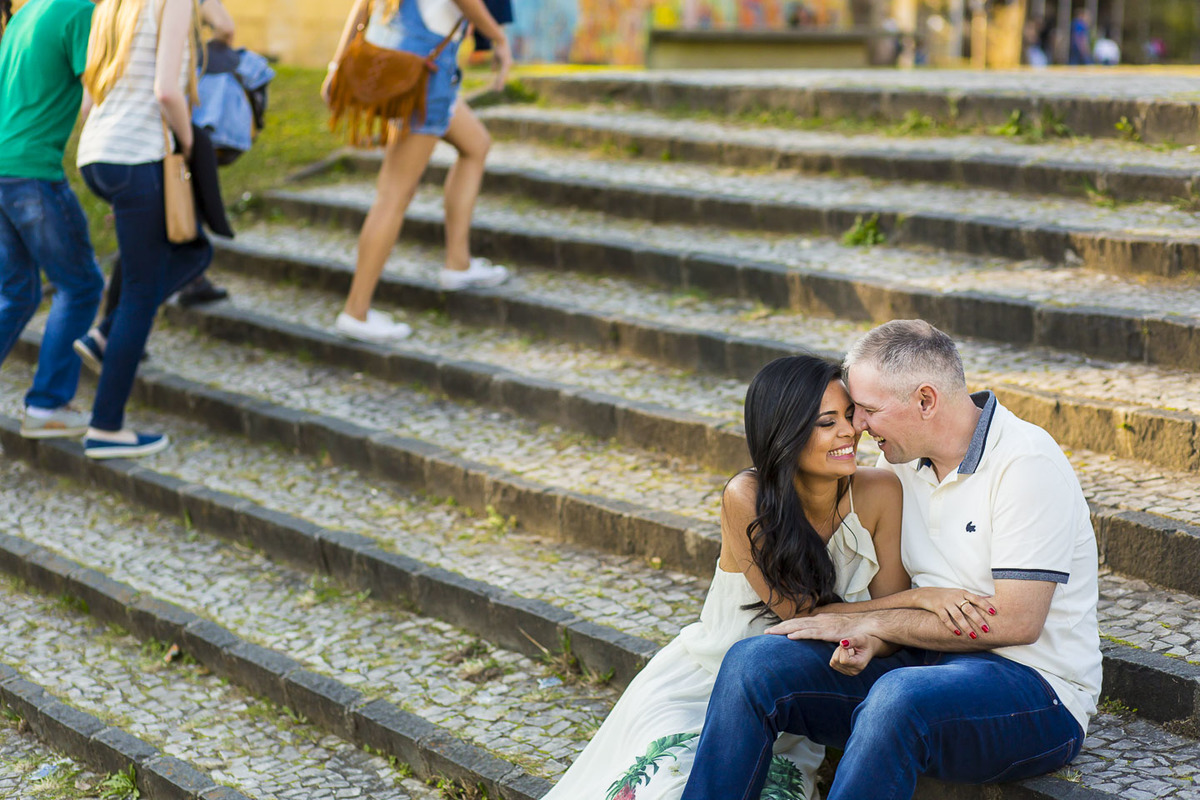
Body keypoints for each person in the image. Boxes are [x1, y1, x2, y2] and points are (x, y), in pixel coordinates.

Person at [681, 320, 1101, 800]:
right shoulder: (898, 461)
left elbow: (1017, 622)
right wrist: (875, 633)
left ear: (925, 400)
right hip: (919, 666)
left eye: (867, 409)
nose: (857, 425)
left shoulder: (1026, 463)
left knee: (898, 698)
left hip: (1032, 690)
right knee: (753, 663)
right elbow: (889, 601)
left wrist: (881, 626)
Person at [544, 355, 991, 800]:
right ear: (786, 434)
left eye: (850, 416)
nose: (850, 432)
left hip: (796, 694)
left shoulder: (878, 492)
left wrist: (874, 636)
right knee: (663, 789)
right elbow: (803, 616)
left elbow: (889, 627)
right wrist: (920, 599)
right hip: (708, 681)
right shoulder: (747, 497)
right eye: (826, 422)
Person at [322, 0, 514, 343]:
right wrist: (498, 37)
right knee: (393, 195)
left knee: (476, 145)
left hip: (413, 69)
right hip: (425, 79)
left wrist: (337, 64)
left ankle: (458, 263)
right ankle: (356, 311)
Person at [72, 0, 212, 459]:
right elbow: (167, 91)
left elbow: (91, 96)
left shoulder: (113, 4)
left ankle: (105, 334)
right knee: (142, 290)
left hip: (99, 153)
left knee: (193, 253)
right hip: (136, 154)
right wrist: (190, 149)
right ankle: (105, 427)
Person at [0, 0, 105, 439]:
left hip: (4, 168)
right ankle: (47, 406)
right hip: (33, 174)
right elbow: (96, 97)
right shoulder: (79, 12)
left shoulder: (27, 11)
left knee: (19, 292)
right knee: (81, 285)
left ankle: (47, 402)